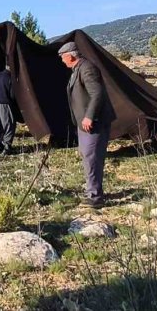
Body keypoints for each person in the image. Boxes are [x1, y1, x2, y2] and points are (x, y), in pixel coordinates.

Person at [59, 42, 114, 208]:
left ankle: (95, 197)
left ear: (71, 55)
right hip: (84, 124)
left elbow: (97, 93)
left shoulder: (87, 68)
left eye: (63, 57)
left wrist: (89, 116)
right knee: (88, 156)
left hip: (94, 123)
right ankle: (93, 190)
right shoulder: (78, 69)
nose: (62, 61)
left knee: (92, 158)